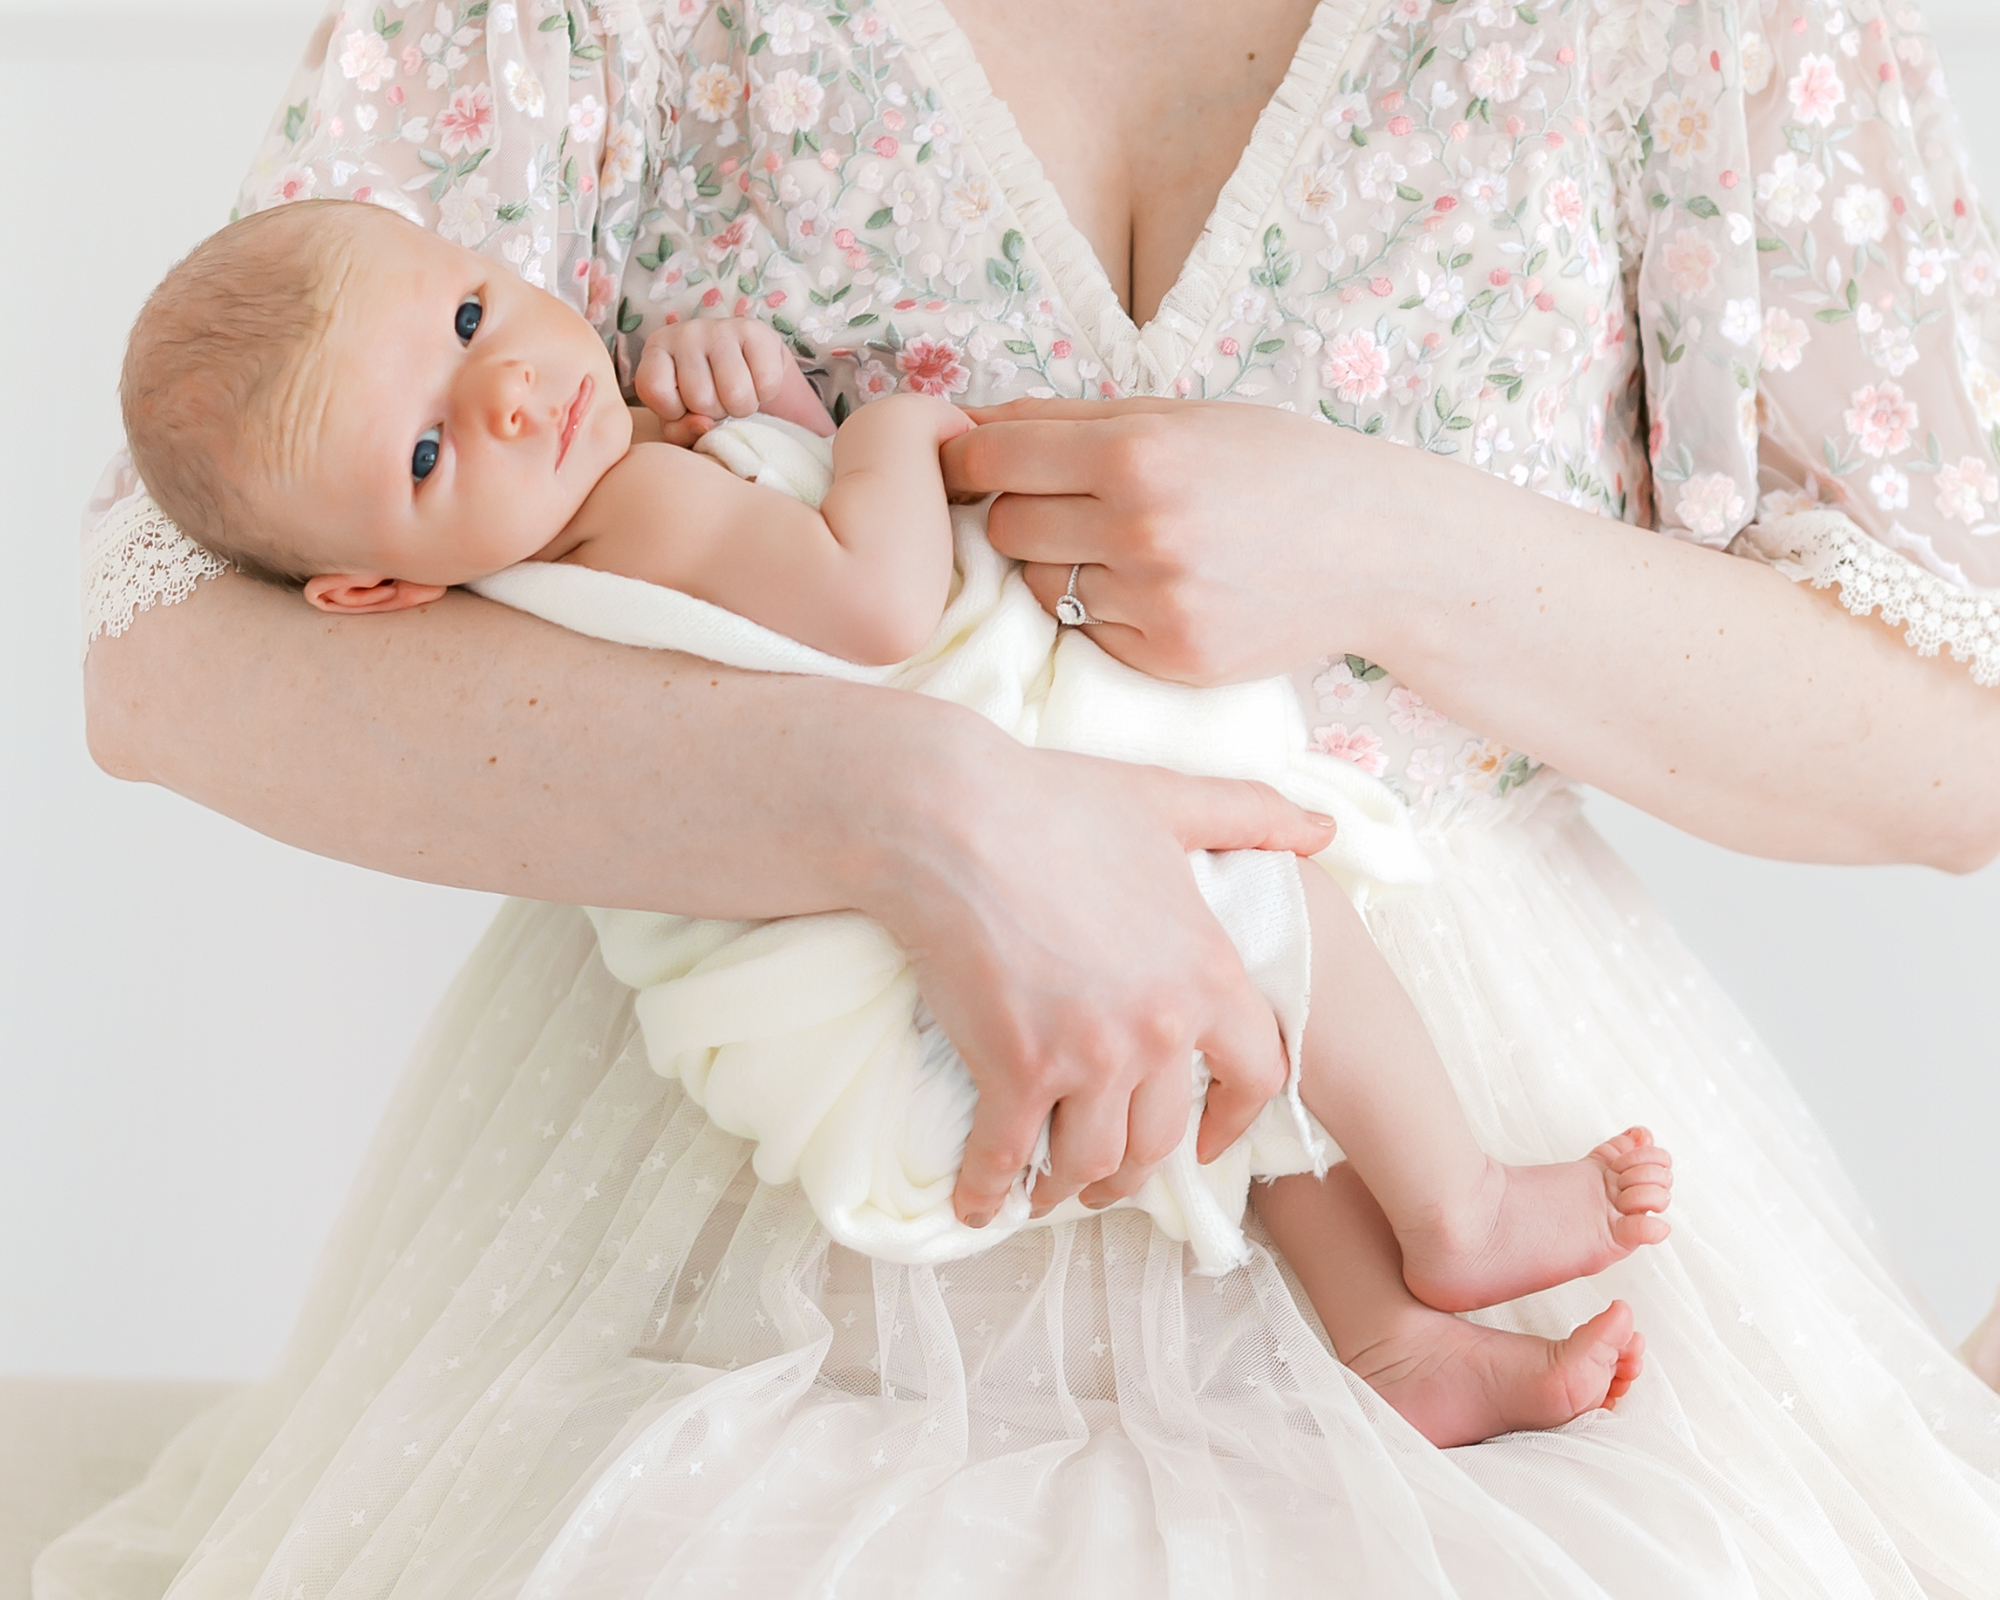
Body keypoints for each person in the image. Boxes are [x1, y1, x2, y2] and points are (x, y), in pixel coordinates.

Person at [43, 0, 2000, 1594]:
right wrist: (914, 801)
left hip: (1469, 1032)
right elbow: (164, 640)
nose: (481, 377)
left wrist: (1395, 547)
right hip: (750, 1222)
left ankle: (1433, 1273)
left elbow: (1959, 732)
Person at [119, 198, 1672, 1446]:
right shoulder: (636, 511)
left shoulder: (566, 548)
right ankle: (1455, 1208)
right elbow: (873, 604)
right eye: (427, 448)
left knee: (1236, 1048)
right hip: (920, 1004)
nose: (516, 392)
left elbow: (765, 599)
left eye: (469, 317)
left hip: (868, 1040)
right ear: (371, 592)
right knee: (1261, 880)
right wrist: (887, 431)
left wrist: (770, 412)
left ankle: (1394, 1337)